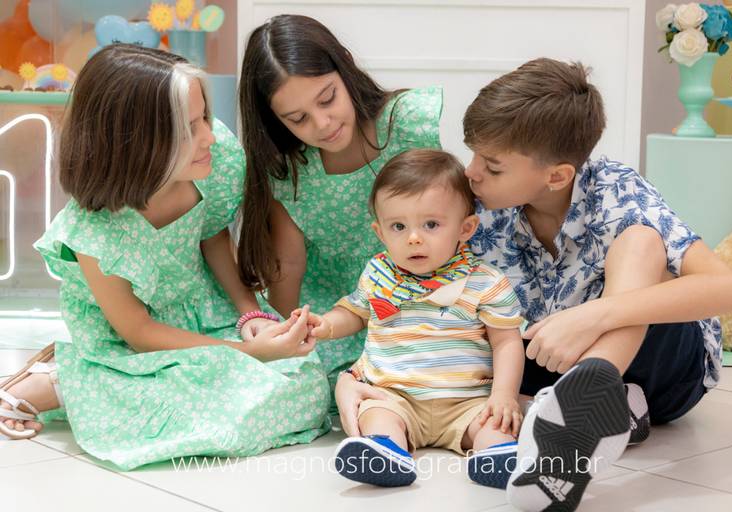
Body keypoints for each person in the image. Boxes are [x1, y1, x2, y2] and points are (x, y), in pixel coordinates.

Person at [0, 44, 330, 470]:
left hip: (204, 311)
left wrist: (249, 314)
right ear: (135, 143)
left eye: (205, 118)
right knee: (198, 413)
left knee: (305, 385)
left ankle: (88, 386)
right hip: (132, 342)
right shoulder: (95, 231)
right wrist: (247, 353)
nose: (210, 136)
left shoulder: (211, 160)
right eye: (190, 128)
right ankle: (61, 382)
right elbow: (138, 332)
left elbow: (213, 236)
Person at [460, 58, 732, 510]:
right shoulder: (477, 207)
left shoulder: (615, 189)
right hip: (545, 362)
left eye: (492, 166)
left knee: (640, 242)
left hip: (662, 369)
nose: (472, 172)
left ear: (557, 176)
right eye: (473, 154)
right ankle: (603, 415)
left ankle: (587, 407)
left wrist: (594, 315)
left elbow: (728, 289)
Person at [237, 14, 443, 388]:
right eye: (297, 118)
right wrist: (285, 340)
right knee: (312, 385)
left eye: (327, 98)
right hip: (333, 317)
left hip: (423, 303)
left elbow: (454, 214)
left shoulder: (407, 123)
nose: (322, 124)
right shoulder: (289, 169)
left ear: (345, 65)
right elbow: (289, 265)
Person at [307, 149, 526, 488]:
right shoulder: (379, 274)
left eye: (431, 225)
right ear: (380, 233)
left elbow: (507, 342)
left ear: (465, 228)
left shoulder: (484, 282)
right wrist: (326, 325)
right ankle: (385, 451)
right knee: (376, 414)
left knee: (493, 424)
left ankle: (497, 456)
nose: (413, 237)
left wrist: (504, 395)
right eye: (398, 226)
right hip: (397, 397)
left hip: (467, 400)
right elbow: (355, 312)